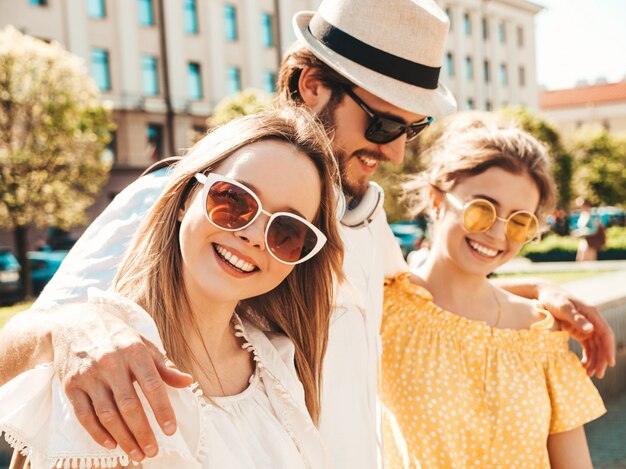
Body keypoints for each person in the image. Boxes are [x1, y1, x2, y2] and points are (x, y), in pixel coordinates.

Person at [0, 1, 615, 467]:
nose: (396, 151)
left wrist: (539, 296)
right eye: (380, 122)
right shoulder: (201, 194)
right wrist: (68, 325)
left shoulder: (364, 212)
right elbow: (41, 337)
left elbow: (418, 284)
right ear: (311, 85)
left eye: (411, 127)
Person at [0, 108, 344, 468]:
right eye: (234, 200)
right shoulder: (105, 367)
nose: (254, 236)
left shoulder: (278, 362)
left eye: (286, 232)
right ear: (184, 199)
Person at [381, 113, 606, 469]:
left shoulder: (539, 333)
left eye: (520, 222)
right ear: (437, 199)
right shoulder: (381, 312)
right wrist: (535, 286)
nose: (498, 235)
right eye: (482, 209)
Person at [573, 197, 606, 261]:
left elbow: (593, 230)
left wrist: (580, 233)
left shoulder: (591, 216)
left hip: (590, 241)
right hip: (585, 240)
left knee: (589, 260)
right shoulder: (583, 215)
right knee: (581, 259)